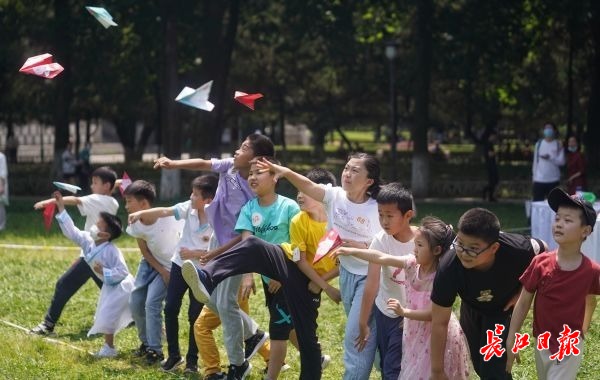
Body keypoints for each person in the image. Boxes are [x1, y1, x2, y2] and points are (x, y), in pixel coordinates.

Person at [180, 166, 341, 380]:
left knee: (306, 337)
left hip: (308, 283)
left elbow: (345, 262)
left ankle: (310, 368)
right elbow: (298, 259)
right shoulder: (298, 220)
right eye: (298, 191)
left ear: (322, 194)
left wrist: (323, 284)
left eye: (306, 191)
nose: (300, 195)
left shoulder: (336, 225)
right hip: (289, 266)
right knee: (254, 244)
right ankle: (207, 277)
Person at [235, 153, 383, 380]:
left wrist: (358, 247)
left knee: (353, 336)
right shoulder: (334, 197)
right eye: (346, 168)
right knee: (362, 339)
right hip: (346, 274)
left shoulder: (376, 207)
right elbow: (308, 186)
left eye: (355, 171)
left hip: (369, 275)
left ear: (369, 181)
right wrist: (285, 172)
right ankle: (391, 368)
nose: (347, 173)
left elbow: (394, 235)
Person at [154, 133, 272, 378]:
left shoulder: (255, 189)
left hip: (235, 248)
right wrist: (173, 163)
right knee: (212, 299)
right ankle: (254, 334)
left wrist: (219, 255)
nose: (238, 151)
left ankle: (239, 364)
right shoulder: (229, 165)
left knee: (226, 304)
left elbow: (248, 234)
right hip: (218, 239)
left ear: (257, 159)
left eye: (244, 148)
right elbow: (203, 163)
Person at [334, 216, 470, 379]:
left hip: (434, 336)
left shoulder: (440, 277)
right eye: (415, 244)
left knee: (429, 373)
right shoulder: (412, 264)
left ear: (436, 250)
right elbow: (381, 257)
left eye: (420, 245)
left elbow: (431, 314)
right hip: (414, 333)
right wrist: (352, 251)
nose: (414, 249)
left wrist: (403, 312)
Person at [430, 208, 546, 380]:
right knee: (479, 364)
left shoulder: (517, 249)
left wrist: (522, 291)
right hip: (471, 307)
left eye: (473, 248)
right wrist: (437, 371)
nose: (464, 252)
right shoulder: (449, 267)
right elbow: (439, 322)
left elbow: (543, 249)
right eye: (460, 243)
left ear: (494, 248)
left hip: (502, 310)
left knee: (493, 369)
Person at [506, 188, 600, 379]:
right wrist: (511, 337)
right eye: (557, 218)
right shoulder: (540, 263)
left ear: (586, 231)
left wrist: (582, 328)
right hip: (542, 341)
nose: (559, 224)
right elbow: (524, 302)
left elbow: (591, 299)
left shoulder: (592, 271)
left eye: (567, 220)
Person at [128, 174, 217, 371]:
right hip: (179, 265)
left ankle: (192, 361)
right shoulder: (189, 208)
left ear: (208, 201)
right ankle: (174, 356)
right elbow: (166, 211)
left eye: (195, 195)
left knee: (195, 315)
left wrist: (194, 253)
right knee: (170, 309)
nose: (191, 197)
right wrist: (141, 214)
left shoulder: (218, 218)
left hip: (202, 271)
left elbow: (221, 249)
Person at [30, 166, 119, 336]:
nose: (91, 186)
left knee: (64, 285)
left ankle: (47, 325)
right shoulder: (112, 201)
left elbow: (77, 200)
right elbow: (107, 188)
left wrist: (50, 202)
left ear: (107, 186)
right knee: (115, 292)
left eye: (95, 183)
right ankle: (134, 318)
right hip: (95, 254)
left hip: (93, 255)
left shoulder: (98, 199)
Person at [53, 191, 134, 357]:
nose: (94, 225)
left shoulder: (112, 251)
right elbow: (72, 231)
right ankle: (109, 347)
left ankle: (149, 339)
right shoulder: (88, 241)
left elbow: (123, 272)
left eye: (98, 224)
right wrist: (61, 208)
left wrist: (104, 271)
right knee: (107, 314)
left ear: (105, 235)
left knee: (131, 312)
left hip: (122, 287)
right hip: (109, 287)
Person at [351, 183, 416, 379]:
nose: (384, 221)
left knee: (393, 369)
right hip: (385, 312)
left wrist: (413, 314)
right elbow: (372, 284)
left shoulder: (423, 241)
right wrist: (363, 322)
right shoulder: (380, 241)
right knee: (387, 361)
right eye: (380, 214)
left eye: (389, 215)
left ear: (407, 215)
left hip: (411, 315)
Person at [123, 180, 185, 364]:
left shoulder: (168, 217)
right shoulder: (135, 223)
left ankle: (155, 350)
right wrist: (159, 270)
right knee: (135, 302)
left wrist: (168, 272)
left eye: (129, 202)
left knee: (152, 303)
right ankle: (146, 343)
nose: (126, 206)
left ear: (143, 204)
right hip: (151, 263)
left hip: (169, 266)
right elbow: (144, 250)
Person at [532, 123, 565, 201]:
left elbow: (562, 162)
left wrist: (550, 158)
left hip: (553, 179)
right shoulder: (539, 144)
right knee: (537, 203)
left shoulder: (558, 144)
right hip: (539, 179)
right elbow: (535, 162)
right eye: (546, 128)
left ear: (554, 131)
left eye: (550, 128)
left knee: (554, 204)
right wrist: (534, 177)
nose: (548, 130)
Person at [482, 132, 499, 202]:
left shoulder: (490, 144)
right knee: (493, 181)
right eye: (494, 136)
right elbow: (489, 154)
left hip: (492, 164)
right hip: (490, 165)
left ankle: (490, 195)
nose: (494, 138)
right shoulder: (488, 144)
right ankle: (486, 193)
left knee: (495, 181)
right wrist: (496, 152)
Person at [0, 151, 8, 231]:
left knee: (0, 206)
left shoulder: (1, 156)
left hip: (0, 183)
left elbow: (2, 173)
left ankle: (1, 226)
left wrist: (1, 185)